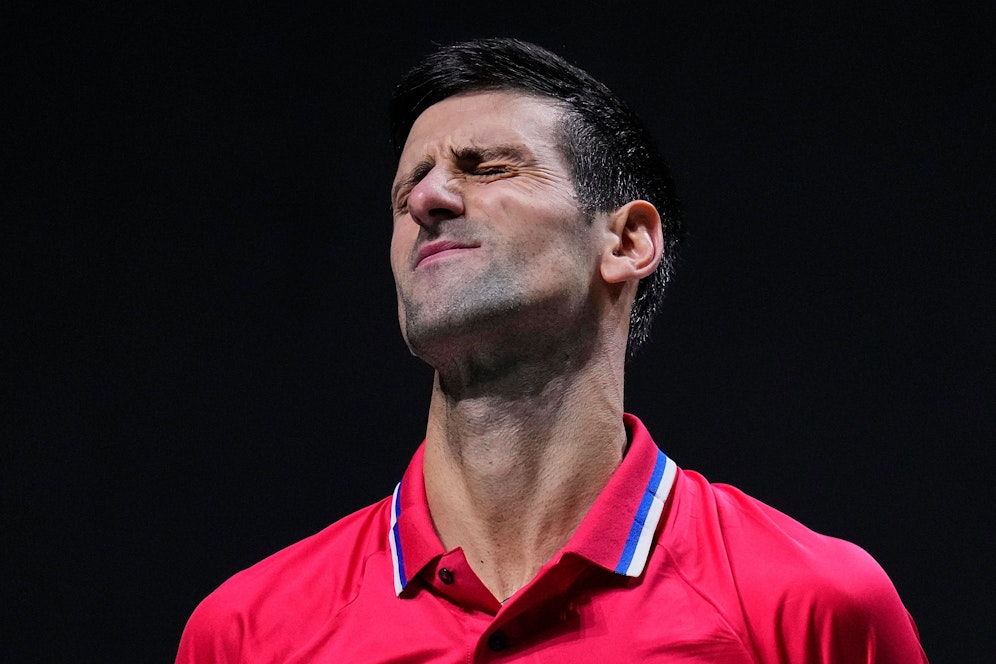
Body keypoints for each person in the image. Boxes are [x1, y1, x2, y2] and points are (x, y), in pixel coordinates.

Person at [175, 38, 928, 662]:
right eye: (407, 193)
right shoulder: (245, 633)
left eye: (486, 166)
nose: (428, 200)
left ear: (628, 241)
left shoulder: (812, 607)